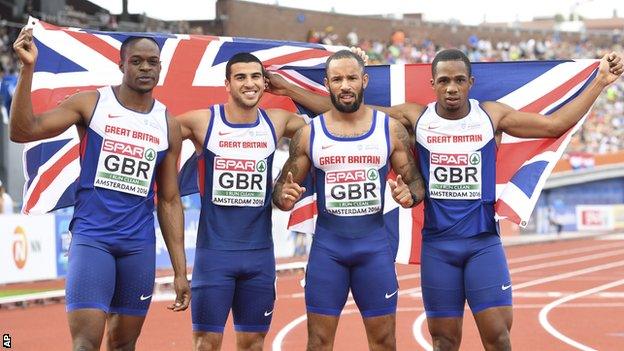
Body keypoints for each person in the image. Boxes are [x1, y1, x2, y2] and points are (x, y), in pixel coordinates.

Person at [269, 48, 623, 350]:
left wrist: (600, 82)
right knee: (444, 343)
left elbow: (553, 125)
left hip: (483, 243)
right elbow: (348, 112)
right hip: (438, 247)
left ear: (470, 83)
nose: (451, 88)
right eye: (443, 81)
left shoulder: (491, 116)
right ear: (433, 84)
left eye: (458, 80)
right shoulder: (415, 117)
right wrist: (289, 88)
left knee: (499, 338)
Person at [10, 29, 190, 351]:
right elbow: (24, 130)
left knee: (124, 345)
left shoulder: (167, 123)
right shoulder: (92, 103)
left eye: (152, 62)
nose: (145, 68)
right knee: (85, 344)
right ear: (121, 66)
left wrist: (180, 271)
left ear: (160, 68)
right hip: (94, 238)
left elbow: (169, 199)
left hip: (138, 246)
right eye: (136, 61)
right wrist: (27, 70)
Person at [272, 50, 425, 351]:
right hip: (329, 252)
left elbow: (416, 182)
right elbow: (281, 191)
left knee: (384, 342)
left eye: (352, 78)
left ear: (364, 81)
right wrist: (284, 197)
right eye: (338, 79)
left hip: (374, 251)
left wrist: (411, 195)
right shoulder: (308, 134)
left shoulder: (390, 130)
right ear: (327, 84)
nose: (345, 85)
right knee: (318, 343)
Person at [176, 52, 307, 351]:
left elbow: (334, 125)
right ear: (227, 84)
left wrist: (288, 89)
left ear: (265, 82)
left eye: (255, 77)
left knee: (253, 345)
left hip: (259, 256)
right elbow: (153, 130)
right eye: (241, 77)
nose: (249, 83)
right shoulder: (202, 121)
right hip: (214, 256)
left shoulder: (276, 122)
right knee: (206, 345)